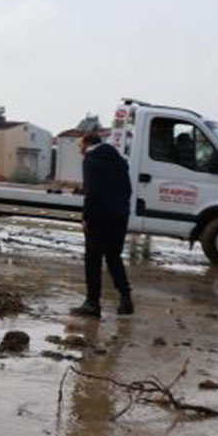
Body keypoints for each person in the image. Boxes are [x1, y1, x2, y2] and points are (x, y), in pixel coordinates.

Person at [71, 133, 133, 317]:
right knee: (114, 257)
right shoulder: (118, 158)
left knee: (93, 259)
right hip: (120, 215)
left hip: (100, 217)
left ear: (87, 144)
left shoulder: (91, 159)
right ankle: (126, 299)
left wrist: (86, 217)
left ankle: (92, 304)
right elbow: (125, 188)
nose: (80, 149)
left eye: (80, 145)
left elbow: (93, 192)